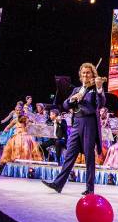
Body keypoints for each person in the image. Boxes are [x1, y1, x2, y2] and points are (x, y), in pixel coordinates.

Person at [41, 62, 106, 195]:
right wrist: (73, 99)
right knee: (70, 154)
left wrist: (99, 89)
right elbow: (65, 105)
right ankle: (58, 184)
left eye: (88, 72)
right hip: (76, 123)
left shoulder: (95, 88)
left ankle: (90, 189)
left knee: (89, 157)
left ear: (93, 74)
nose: (85, 75)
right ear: (80, 76)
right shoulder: (77, 90)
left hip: (89, 123)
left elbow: (101, 103)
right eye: (83, 73)